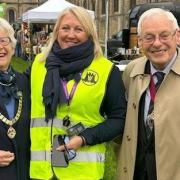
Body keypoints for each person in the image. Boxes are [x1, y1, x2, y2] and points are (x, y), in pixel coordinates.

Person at [29, 6, 126, 180]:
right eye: (65, 28)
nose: (70, 35)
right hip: (41, 172)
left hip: (82, 172)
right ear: (57, 31)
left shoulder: (106, 70)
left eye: (78, 29)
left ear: (89, 34)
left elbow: (119, 119)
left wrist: (84, 138)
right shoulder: (39, 64)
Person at [117, 8, 180, 180]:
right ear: (139, 41)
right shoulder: (131, 71)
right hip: (136, 171)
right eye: (149, 37)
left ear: (178, 36)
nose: (157, 43)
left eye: (164, 35)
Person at [0, 18, 30, 179]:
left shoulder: (24, 82)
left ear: (12, 46)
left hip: (24, 172)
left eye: (4, 41)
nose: (0, 47)